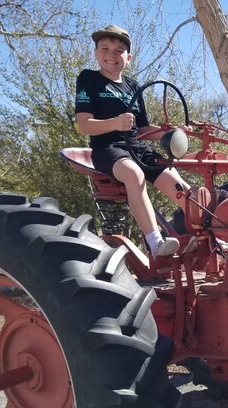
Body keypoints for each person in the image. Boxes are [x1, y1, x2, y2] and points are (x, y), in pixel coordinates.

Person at [75, 24, 191, 258]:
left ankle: (209, 235)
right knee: (134, 174)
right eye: (105, 48)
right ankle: (156, 243)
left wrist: (172, 133)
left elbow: (144, 128)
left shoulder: (133, 86)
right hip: (108, 148)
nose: (111, 55)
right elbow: (83, 124)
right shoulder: (88, 79)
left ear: (129, 58)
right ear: (96, 53)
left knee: (176, 181)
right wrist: (115, 123)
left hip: (137, 147)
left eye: (119, 51)